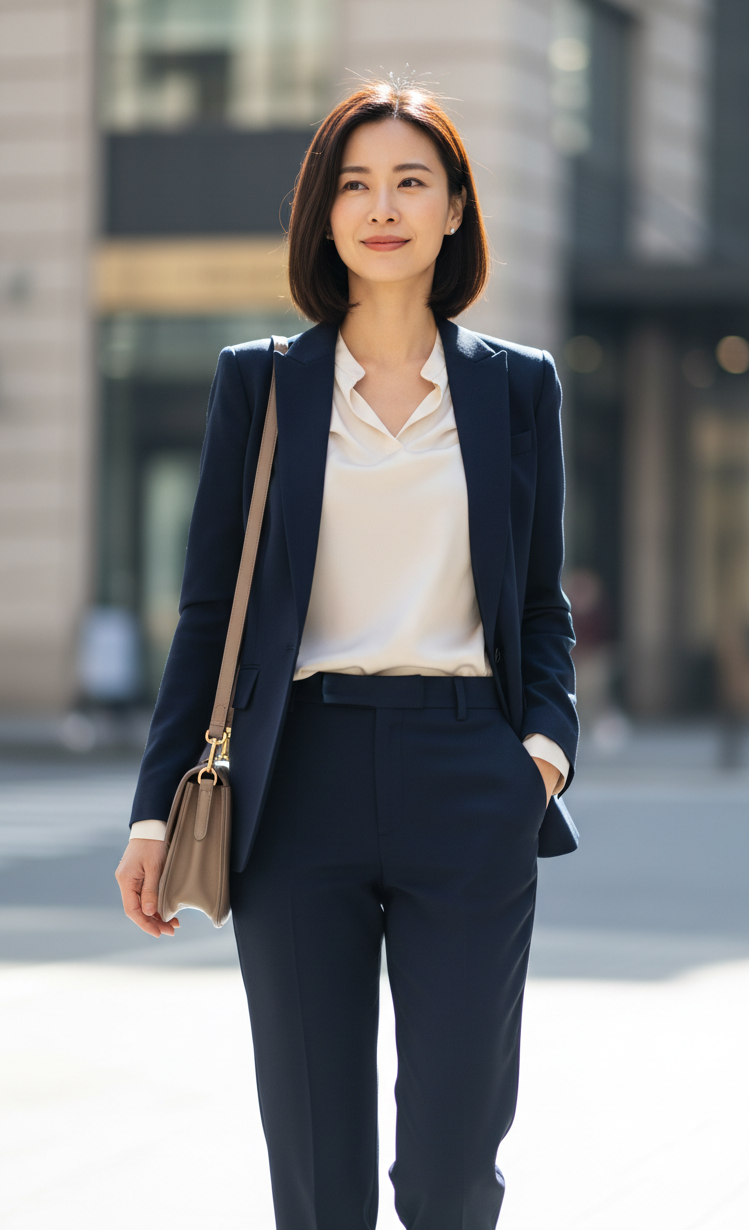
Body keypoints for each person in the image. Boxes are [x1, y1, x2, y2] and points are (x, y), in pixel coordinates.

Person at [116, 77, 579, 1230]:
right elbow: (210, 611)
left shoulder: (518, 390)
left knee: (450, 1169)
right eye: (355, 184)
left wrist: (542, 754)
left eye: (411, 181)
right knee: (319, 1179)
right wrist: (152, 810)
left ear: (457, 208)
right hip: (296, 784)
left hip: (471, 775)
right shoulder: (261, 383)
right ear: (323, 214)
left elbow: (539, 601)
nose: (382, 206)